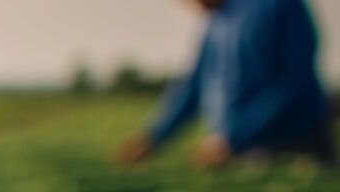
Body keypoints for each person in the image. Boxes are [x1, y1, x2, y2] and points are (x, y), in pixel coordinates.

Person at [119, 0, 334, 167]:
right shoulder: (216, 24)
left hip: (297, 146)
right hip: (246, 152)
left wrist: (233, 138)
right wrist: (152, 138)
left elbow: (294, 83)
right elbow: (192, 90)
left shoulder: (278, 5)